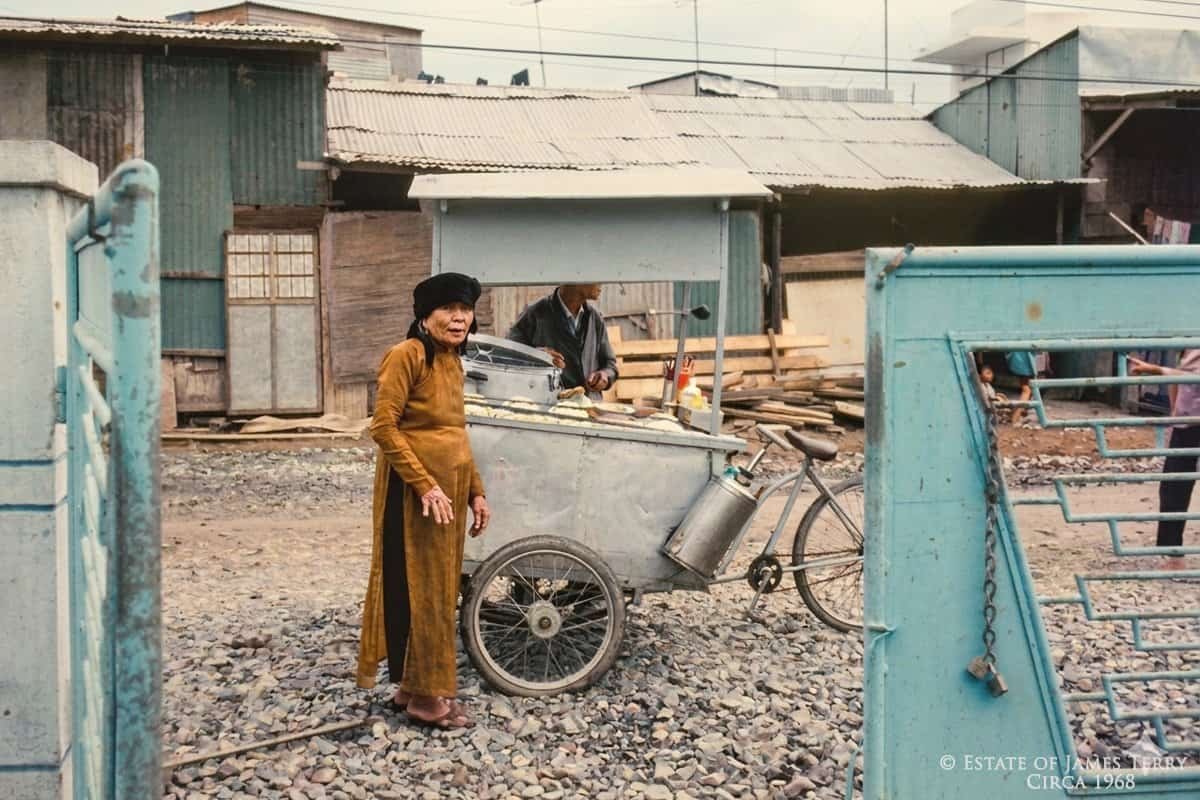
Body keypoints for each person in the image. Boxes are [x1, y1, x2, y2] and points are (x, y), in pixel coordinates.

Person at [356, 272, 492, 729]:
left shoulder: (452, 359)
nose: (459, 318)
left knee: (439, 587)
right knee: (415, 585)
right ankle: (426, 699)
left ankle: (413, 686)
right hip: (414, 494)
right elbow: (383, 427)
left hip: (448, 495)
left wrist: (476, 490)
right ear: (425, 315)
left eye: (466, 310)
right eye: (449, 309)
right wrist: (425, 484)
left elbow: (456, 432)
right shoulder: (407, 355)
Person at [1130, 350, 1200, 570]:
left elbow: (1191, 376)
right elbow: (1179, 382)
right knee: (1172, 487)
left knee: (1174, 486)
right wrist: (1174, 418)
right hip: (1185, 422)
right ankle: (1173, 555)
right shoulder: (1187, 343)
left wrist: (1156, 369)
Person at [507, 283, 619, 400]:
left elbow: (610, 364)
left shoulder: (595, 318)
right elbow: (507, 355)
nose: (602, 282)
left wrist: (605, 376)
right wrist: (537, 357)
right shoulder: (535, 313)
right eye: (595, 273)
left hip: (589, 411)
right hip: (549, 411)